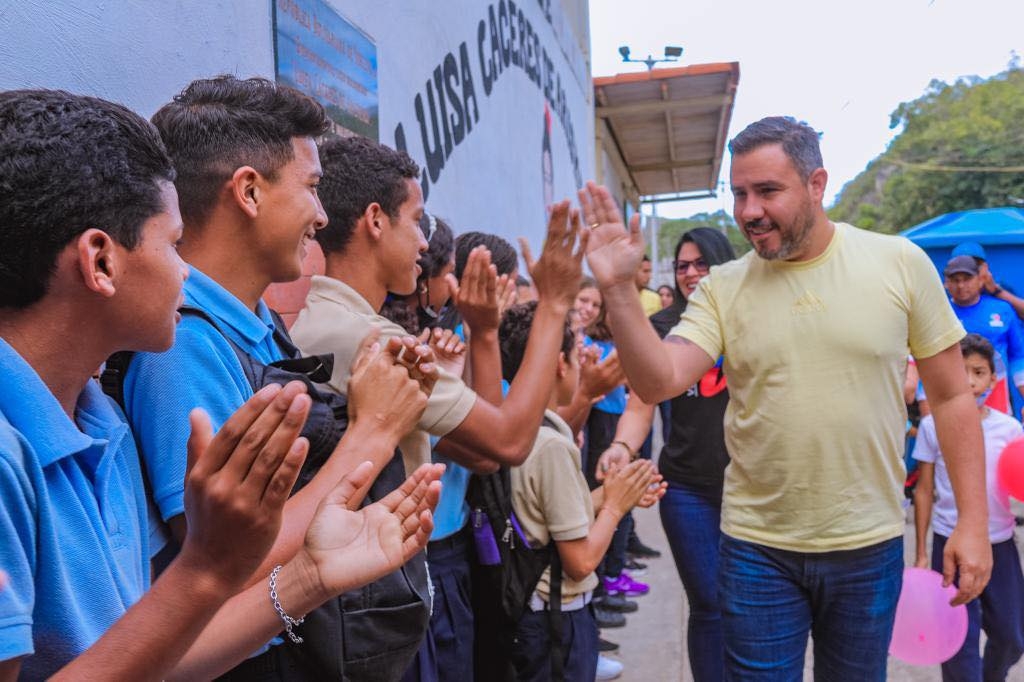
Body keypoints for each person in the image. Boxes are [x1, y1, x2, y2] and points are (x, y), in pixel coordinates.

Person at [0, 88, 440, 681]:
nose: (185, 271)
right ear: (101, 262)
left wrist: (311, 575)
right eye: (170, 244)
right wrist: (372, 434)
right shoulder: (17, 452)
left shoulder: (98, 418)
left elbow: (153, 653)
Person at [581, 115, 992, 680]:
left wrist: (972, 521)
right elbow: (657, 382)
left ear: (816, 184)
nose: (749, 211)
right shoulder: (724, 287)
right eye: (739, 193)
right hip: (756, 548)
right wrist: (617, 292)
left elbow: (949, 398)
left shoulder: (898, 263)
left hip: (867, 542)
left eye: (768, 191)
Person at [289, 134, 586, 677]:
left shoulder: (333, 324)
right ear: (375, 221)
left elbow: (479, 454)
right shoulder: (367, 338)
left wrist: (484, 335)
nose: (424, 244)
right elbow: (509, 441)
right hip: (377, 595)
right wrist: (556, 305)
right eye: (416, 220)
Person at [598, 227, 737, 682]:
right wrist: (621, 446)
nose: (691, 273)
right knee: (710, 603)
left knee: (750, 604)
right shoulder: (661, 328)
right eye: (682, 265)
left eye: (701, 264)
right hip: (688, 491)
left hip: (753, 489)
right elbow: (641, 404)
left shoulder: (750, 316)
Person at [498, 302, 663, 682]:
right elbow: (581, 560)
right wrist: (615, 510)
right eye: (577, 352)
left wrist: (613, 493)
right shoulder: (552, 446)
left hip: (533, 616)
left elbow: (553, 519)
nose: (583, 360)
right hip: (557, 620)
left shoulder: (520, 429)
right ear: (559, 364)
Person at [914, 333, 1024, 681]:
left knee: (1011, 636)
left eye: (979, 372)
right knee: (958, 645)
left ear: (994, 379)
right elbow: (924, 490)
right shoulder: (933, 426)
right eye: (962, 371)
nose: (971, 380)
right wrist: (920, 553)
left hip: (1000, 544)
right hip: (949, 545)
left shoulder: (1009, 428)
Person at [943, 254, 1024, 416]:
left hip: (997, 396)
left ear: (980, 280)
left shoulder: (1003, 310)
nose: (961, 285)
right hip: (953, 396)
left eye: (967, 279)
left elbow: (1018, 357)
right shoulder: (940, 313)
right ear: (946, 283)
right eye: (955, 280)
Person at [952, 241, 1024, 320]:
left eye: (975, 265)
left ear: (985, 267)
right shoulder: (952, 288)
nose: (971, 270)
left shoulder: (1000, 287)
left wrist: (996, 291)